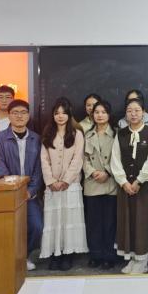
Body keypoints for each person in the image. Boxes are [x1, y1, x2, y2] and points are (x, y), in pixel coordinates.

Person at [0, 99, 43, 271]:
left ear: (28, 115)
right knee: (7, 228)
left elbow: (39, 169)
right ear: (9, 116)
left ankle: (24, 256)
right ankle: (9, 258)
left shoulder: (36, 139)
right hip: (7, 194)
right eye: (15, 113)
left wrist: (31, 191)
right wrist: (14, 190)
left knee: (37, 227)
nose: (19, 116)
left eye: (23, 112)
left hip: (29, 195)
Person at [111, 97, 148, 274]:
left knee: (143, 221)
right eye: (129, 111)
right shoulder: (120, 134)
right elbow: (115, 160)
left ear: (144, 113)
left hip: (145, 187)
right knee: (128, 221)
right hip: (125, 187)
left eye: (137, 110)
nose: (133, 114)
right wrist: (124, 182)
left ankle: (143, 260)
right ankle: (132, 258)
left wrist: (139, 180)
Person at [40, 97, 88, 271]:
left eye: (63, 113)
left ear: (69, 114)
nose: (60, 116)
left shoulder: (77, 134)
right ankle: (55, 254)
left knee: (69, 220)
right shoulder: (48, 134)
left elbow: (78, 159)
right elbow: (44, 160)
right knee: (54, 221)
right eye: (56, 113)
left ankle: (68, 255)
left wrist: (66, 180)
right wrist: (51, 181)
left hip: (71, 185)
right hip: (52, 186)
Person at [83, 100, 118, 270]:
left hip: (110, 183)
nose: (100, 115)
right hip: (92, 183)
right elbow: (82, 158)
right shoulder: (87, 135)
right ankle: (95, 254)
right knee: (93, 223)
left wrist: (108, 172)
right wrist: (92, 172)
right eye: (97, 112)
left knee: (110, 222)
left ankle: (109, 255)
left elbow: (119, 158)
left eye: (103, 112)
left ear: (109, 115)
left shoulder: (117, 134)